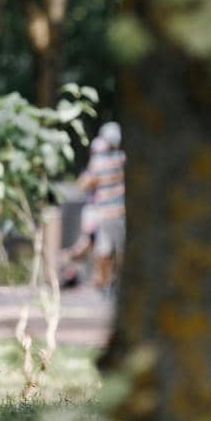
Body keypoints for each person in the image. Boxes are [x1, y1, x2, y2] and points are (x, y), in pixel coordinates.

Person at [77, 121, 126, 294]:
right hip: (120, 212)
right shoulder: (123, 159)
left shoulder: (100, 162)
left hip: (106, 213)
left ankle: (105, 283)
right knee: (120, 250)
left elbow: (83, 185)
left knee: (104, 250)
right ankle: (116, 283)